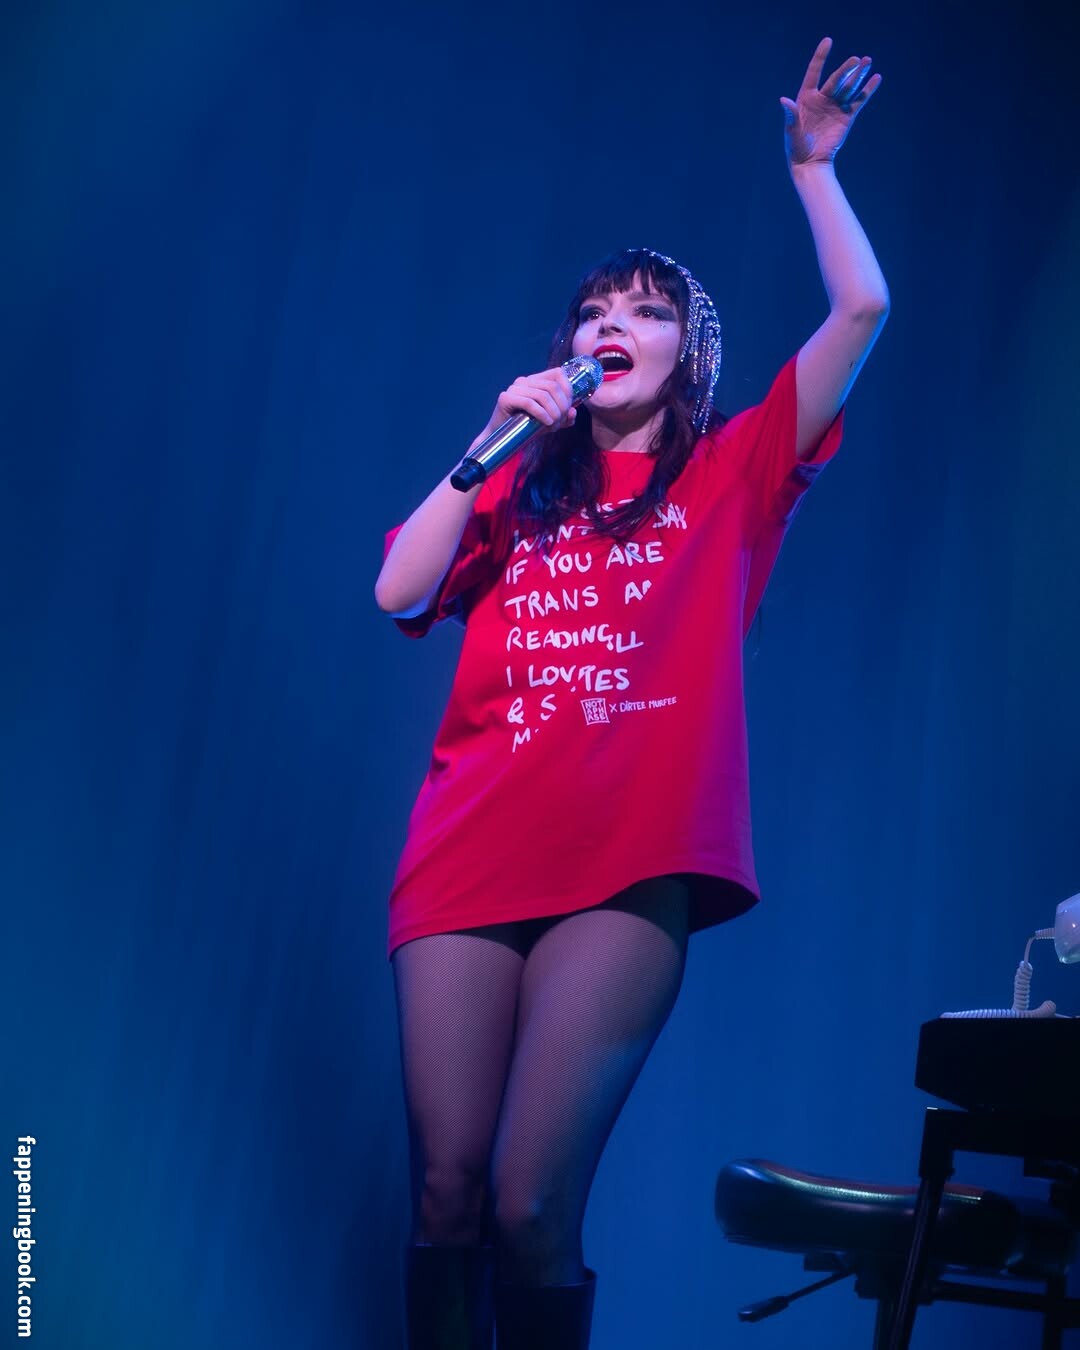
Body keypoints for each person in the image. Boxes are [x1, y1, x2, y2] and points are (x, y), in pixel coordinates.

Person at [374, 37, 888, 1350]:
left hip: (626, 867)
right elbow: (397, 590)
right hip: (466, 854)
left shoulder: (732, 474)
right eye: (595, 311)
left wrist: (815, 174)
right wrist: (487, 444)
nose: (613, 326)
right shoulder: (514, 486)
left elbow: (860, 313)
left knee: (529, 1200)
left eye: (647, 311)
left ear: (687, 354)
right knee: (442, 1193)